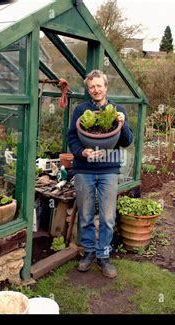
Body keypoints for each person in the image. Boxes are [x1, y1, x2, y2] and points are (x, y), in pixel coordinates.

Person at [68, 70, 133, 279]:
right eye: (91, 87)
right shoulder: (80, 110)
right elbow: (72, 138)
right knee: (86, 215)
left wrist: (122, 123)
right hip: (84, 169)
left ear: (106, 86)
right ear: (88, 89)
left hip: (108, 170)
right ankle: (88, 253)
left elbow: (127, 141)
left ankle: (104, 257)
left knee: (107, 217)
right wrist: (82, 152)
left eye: (99, 85)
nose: (96, 90)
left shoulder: (117, 110)